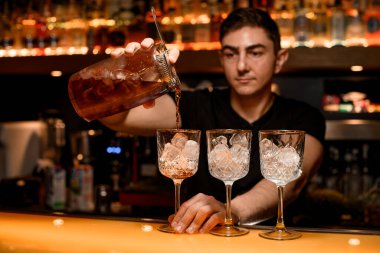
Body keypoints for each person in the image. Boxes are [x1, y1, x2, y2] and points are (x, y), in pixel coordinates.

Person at [100, 7, 325, 234]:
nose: (242, 66)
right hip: (200, 243)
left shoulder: (304, 118)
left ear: (279, 59)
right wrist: (125, 81)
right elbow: (119, 119)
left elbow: (290, 184)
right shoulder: (197, 106)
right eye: (231, 54)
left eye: (255, 53)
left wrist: (229, 211)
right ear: (221, 59)